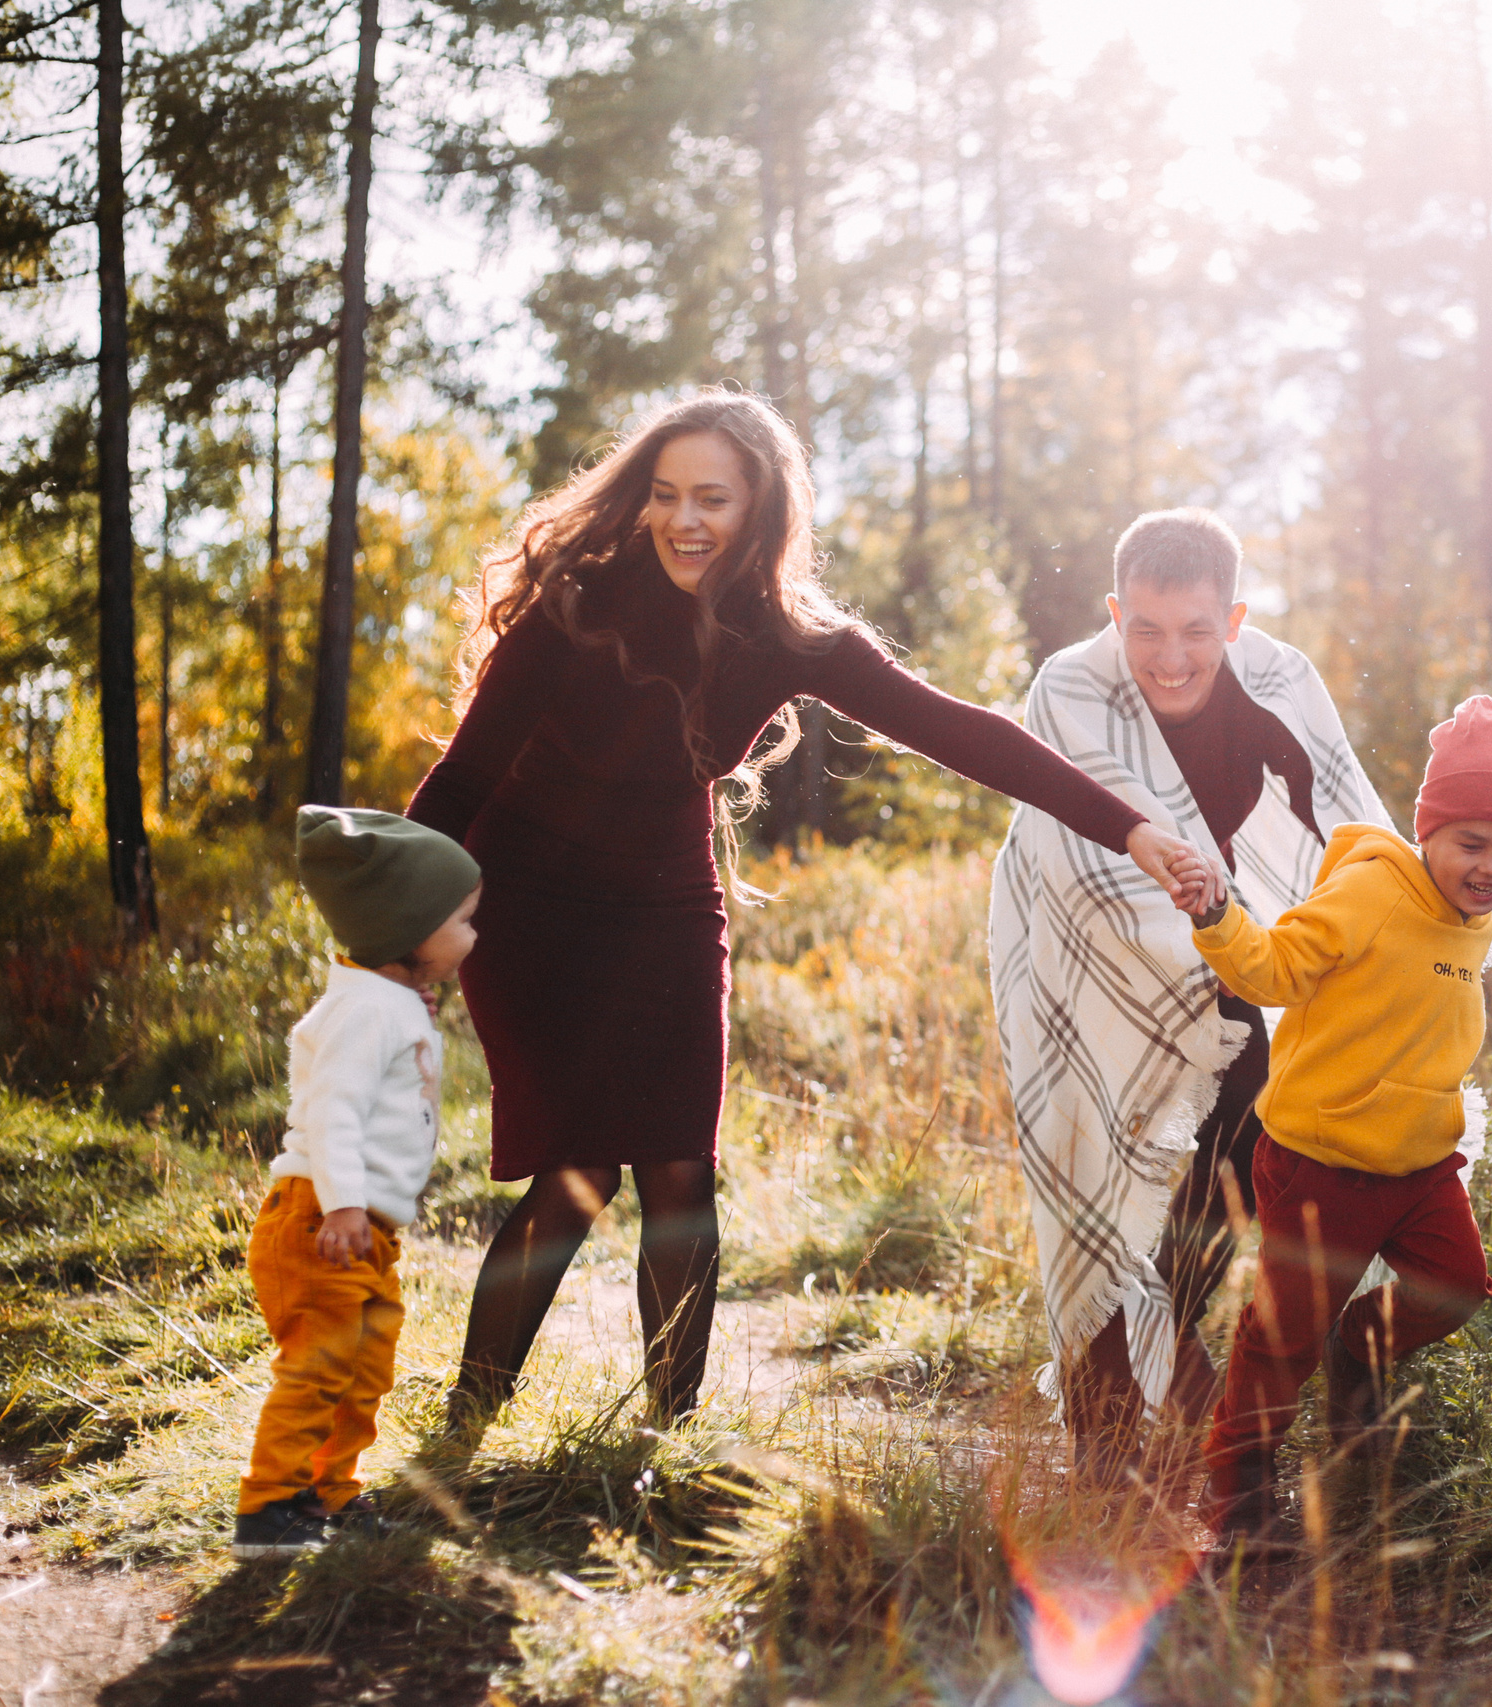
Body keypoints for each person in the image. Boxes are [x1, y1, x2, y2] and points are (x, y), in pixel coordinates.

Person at [405, 390, 1208, 1431]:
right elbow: (461, 781)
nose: (685, 520)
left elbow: (960, 732)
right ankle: (465, 1425)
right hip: (530, 903)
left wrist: (1130, 829)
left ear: (761, 508)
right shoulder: (578, 603)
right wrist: (396, 940)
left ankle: (665, 1442)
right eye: (665, 495)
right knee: (578, 1173)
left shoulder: (791, 635)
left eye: (712, 499)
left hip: (666, 904)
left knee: (681, 1172)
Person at [989, 507, 1391, 1481]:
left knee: (1249, 1143)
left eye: (1197, 632)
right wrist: (1204, 926)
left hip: (1221, 942)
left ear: (1235, 621)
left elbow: (1347, 831)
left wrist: (1402, 924)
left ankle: (1174, 1336)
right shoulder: (1070, 686)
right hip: (1080, 949)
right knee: (1088, 1162)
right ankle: (1104, 1436)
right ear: (1114, 613)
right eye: (1148, 631)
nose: (1171, 659)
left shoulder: (1277, 683)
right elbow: (1083, 856)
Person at [1180, 695, 1492, 1543]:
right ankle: (1236, 1488)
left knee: (1454, 1286)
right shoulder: (1373, 889)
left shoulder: (1471, 915)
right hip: (1323, 1161)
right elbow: (1273, 969)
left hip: (1419, 1166)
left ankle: (1358, 1351)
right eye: (1473, 842)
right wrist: (1216, 917)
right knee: (1281, 1338)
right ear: (1430, 829)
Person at [234, 806, 483, 1558]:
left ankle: (328, 1491)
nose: (474, 934)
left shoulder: (385, 1001)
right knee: (318, 1368)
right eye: (463, 920)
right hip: (323, 1219)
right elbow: (333, 1111)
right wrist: (343, 1203)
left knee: (363, 1370)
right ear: (411, 928)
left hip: (363, 1229)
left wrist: (413, 1006)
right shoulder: (364, 1010)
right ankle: (269, 1507)